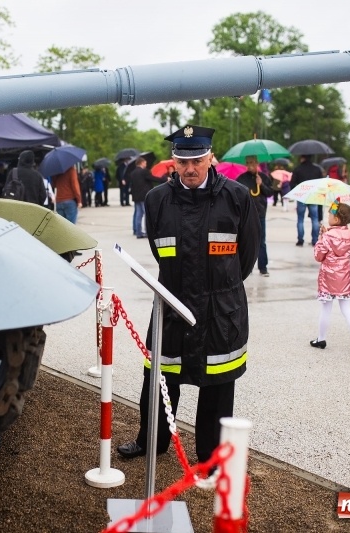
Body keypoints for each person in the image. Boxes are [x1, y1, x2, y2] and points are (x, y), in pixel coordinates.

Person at [116, 125, 260, 464]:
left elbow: (248, 254)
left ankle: (210, 455)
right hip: (170, 304)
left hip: (221, 308)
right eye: (183, 161)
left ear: (211, 158)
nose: (191, 168)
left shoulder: (236, 197)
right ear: (173, 163)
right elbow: (158, 249)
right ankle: (151, 441)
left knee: (218, 385)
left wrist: (219, 287)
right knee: (159, 379)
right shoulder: (156, 200)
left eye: (197, 159)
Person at [308, 199, 350, 355]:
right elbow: (340, 247)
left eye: (330, 214)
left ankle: (321, 339)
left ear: (337, 219)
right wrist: (327, 234)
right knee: (346, 308)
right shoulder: (349, 233)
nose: (328, 216)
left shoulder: (328, 236)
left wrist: (322, 238)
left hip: (328, 278)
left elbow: (318, 256)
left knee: (326, 308)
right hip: (345, 276)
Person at [236, 155, 273, 276]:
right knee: (246, 240)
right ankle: (247, 266)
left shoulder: (263, 177)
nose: (250, 165)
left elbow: (269, 193)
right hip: (246, 214)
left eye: (253, 163)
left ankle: (263, 267)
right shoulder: (241, 179)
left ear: (257, 163)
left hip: (260, 213)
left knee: (261, 241)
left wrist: (261, 184)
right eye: (248, 163)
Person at [290, 154, 323, 246]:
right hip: (314, 196)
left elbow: (292, 183)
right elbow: (321, 183)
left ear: (303, 158)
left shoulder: (297, 169)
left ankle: (300, 240)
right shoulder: (317, 169)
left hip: (301, 196)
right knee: (315, 219)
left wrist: (297, 192)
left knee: (300, 219)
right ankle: (314, 240)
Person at [129, 156, 164, 238]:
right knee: (147, 214)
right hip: (144, 195)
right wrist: (163, 179)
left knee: (138, 214)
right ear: (141, 163)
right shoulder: (144, 171)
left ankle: (138, 232)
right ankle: (148, 232)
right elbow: (152, 178)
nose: (146, 164)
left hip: (136, 196)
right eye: (145, 163)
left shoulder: (133, 173)